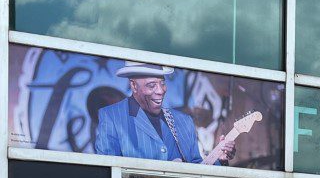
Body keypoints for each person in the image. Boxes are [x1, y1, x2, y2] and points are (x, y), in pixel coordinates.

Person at [93, 62, 235, 164]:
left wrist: (220, 159)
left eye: (162, 83)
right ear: (134, 85)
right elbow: (109, 170)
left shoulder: (183, 120)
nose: (161, 90)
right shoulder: (112, 116)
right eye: (152, 85)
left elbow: (198, 167)